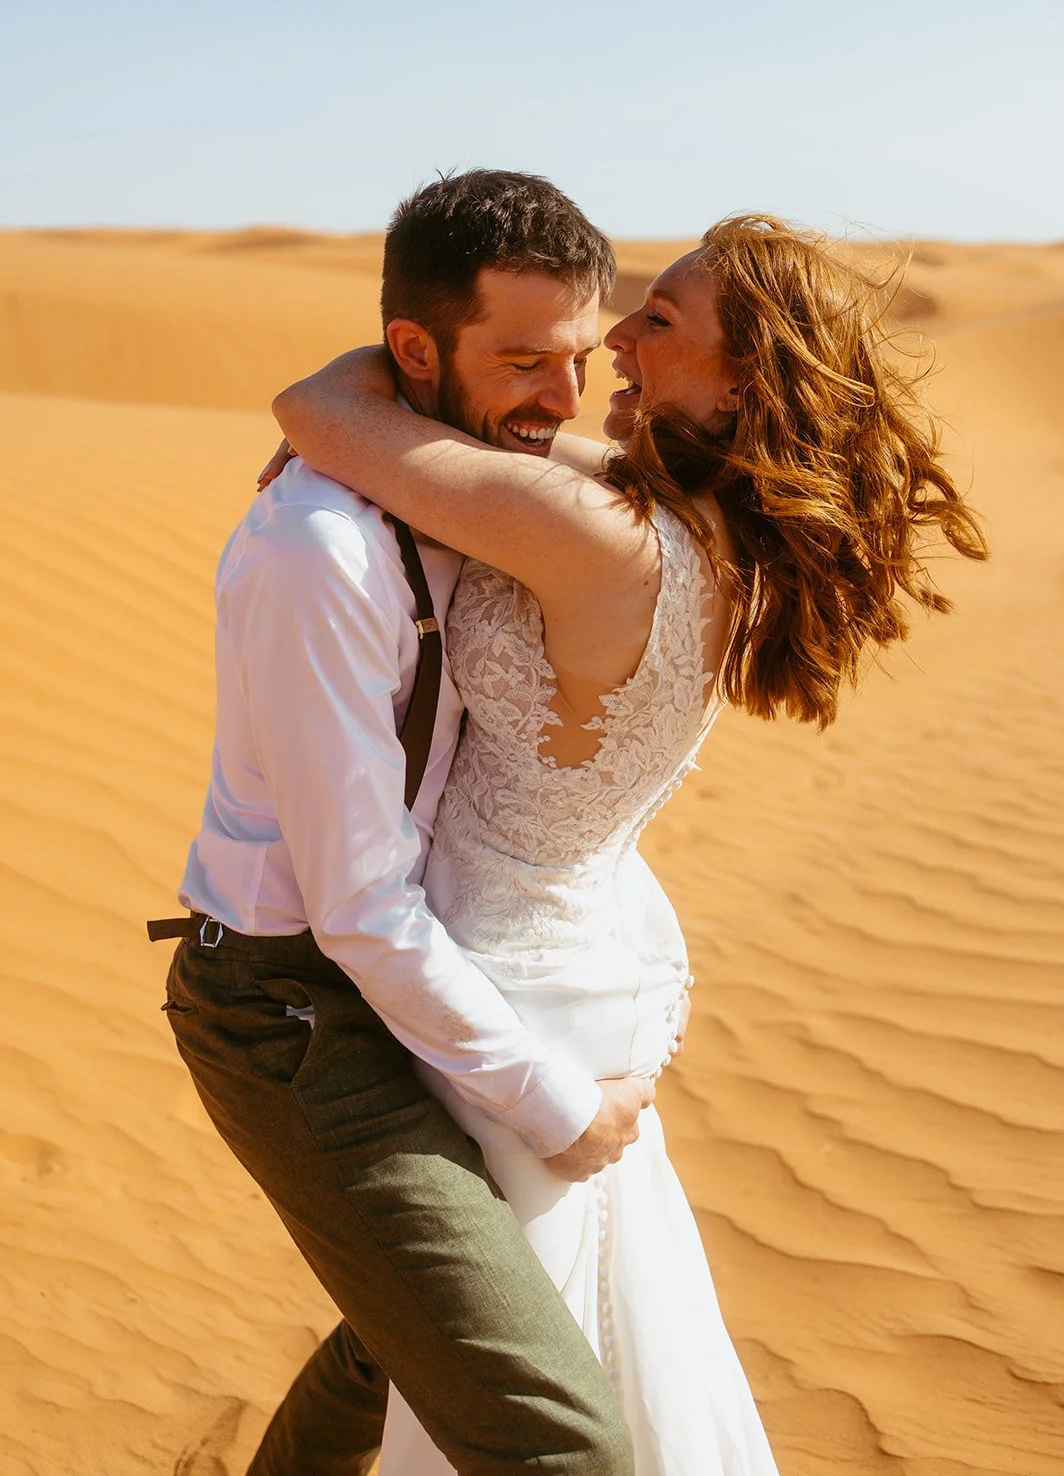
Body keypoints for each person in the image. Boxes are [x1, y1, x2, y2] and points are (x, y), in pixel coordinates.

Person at [269, 205, 988, 1476]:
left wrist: (382, 390)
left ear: (736, 382)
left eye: (656, 323)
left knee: (491, 1387)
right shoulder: (703, 534)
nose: (613, 338)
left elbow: (318, 414)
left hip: (490, 985)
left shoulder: (593, 536)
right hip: (572, 959)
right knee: (482, 1330)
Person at [159, 170, 655, 1476]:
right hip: (289, 1014)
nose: (559, 400)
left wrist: (343, 406)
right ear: (415, 354)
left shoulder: (468, 480)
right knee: (562, 1446)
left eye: (579, 359)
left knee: (399, 1341)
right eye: (521, 361)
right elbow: (359, 910)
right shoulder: (317, 554)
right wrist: (559, 1108)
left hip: (388, 979)